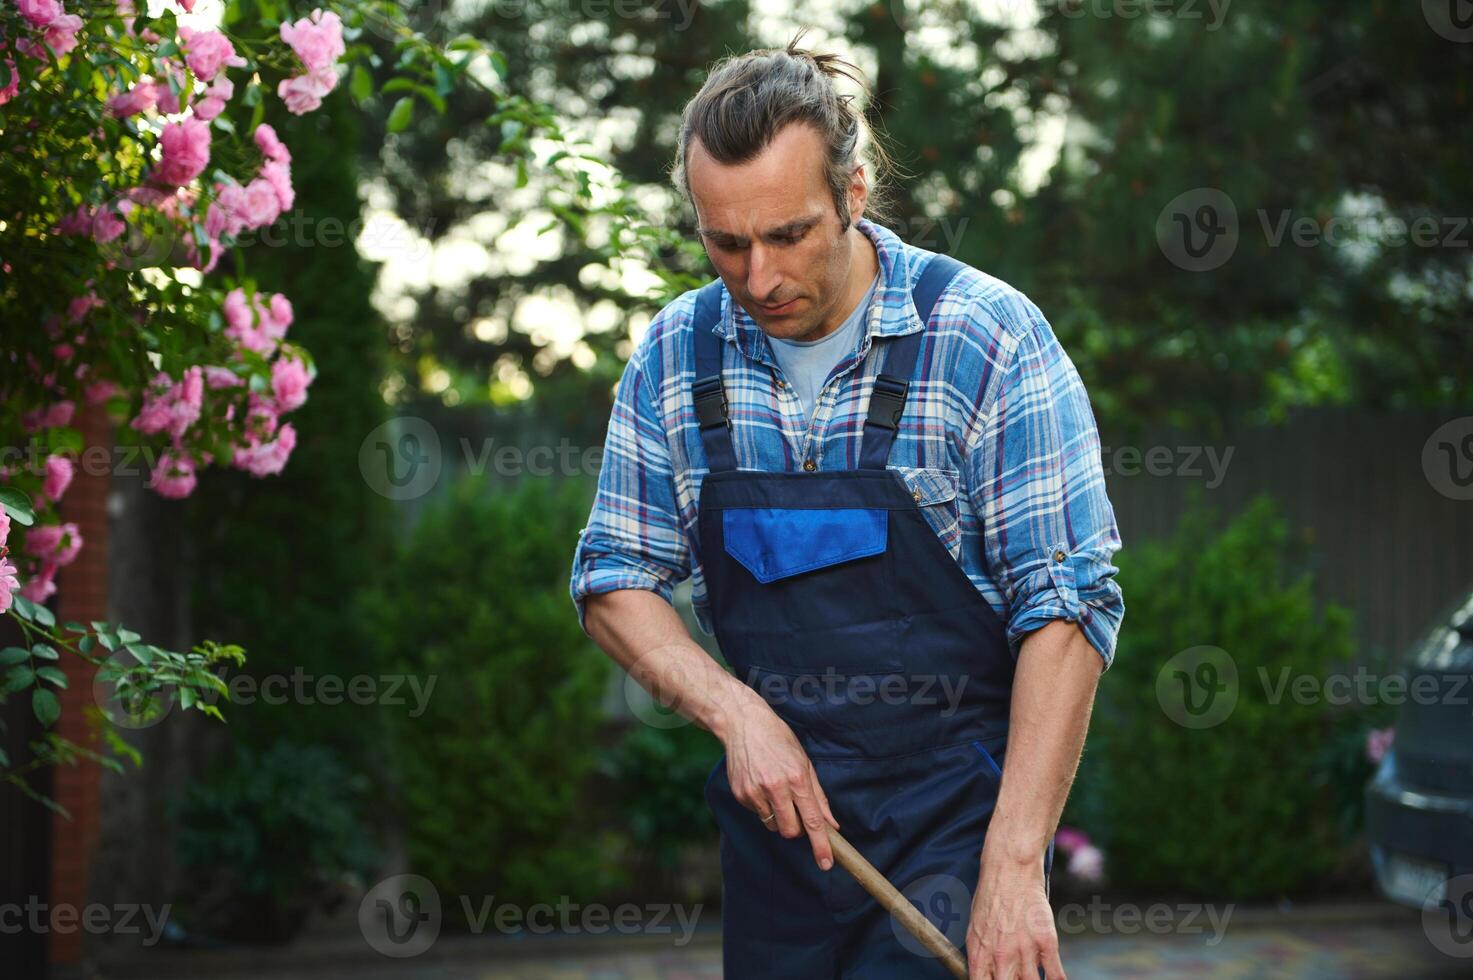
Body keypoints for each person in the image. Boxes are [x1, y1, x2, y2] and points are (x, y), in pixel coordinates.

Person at [570, 32, 1124, 980]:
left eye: (789, 235)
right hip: (781, 852)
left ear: (853, 193)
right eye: (726, 242)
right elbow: (613, 576)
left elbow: (1068, 606)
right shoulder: (675, 356)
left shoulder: (984, 339)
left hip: (956, 836)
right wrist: (736, 714)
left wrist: (1014, 864)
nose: (758, 279)